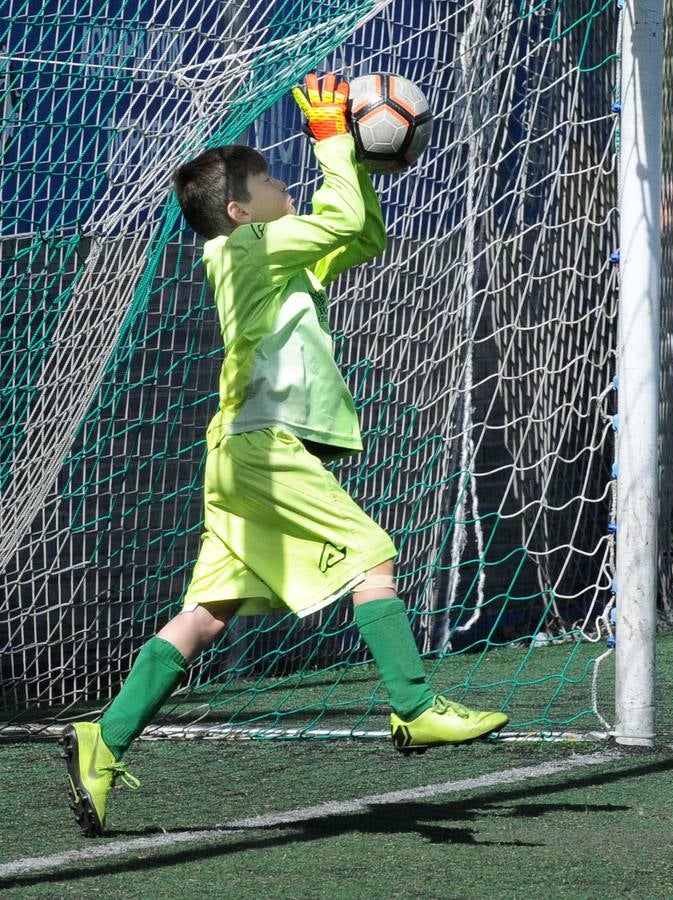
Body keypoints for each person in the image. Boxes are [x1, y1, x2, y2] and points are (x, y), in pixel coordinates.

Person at [60, 73, 509, 838]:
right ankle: (412, 707)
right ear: (239, 210)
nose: (282, 184)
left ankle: (102, 738)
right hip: (262, 445)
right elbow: (336, 216)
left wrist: (356, 163)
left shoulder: (274, 255)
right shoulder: (249, 247)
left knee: (206, 615)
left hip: (242, 451)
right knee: (372, 554)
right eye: (267, 180)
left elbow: (358, 234)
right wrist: (339, 141)